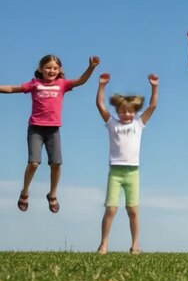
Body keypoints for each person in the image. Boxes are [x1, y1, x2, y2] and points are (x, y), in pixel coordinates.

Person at [1, 54, 99, 213]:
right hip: (36, 129)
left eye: (55, 68)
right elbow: (13, 88)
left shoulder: (62, 84)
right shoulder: (35, 84)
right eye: (48, 67)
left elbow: (81, 81)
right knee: (34, 162)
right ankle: (25, 192)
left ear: (59, 69)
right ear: (41, 69)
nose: (51, 70)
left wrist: (91, 67)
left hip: (53, 130)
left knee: (56, 164)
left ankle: (52, 194)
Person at [95, 73, 158, 255]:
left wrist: (154, 87)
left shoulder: (138, 124)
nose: (127, 114)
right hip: (115, 172)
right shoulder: (111, 123)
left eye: (130, 111)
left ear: (135, 112)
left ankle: (135, 246)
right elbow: (100, 105)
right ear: (118, 112)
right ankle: (103, 245)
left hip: (133, 173)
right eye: (123, 111)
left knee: (133, 210)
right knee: (111, 209)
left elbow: (152, 106)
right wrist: (102, 86)